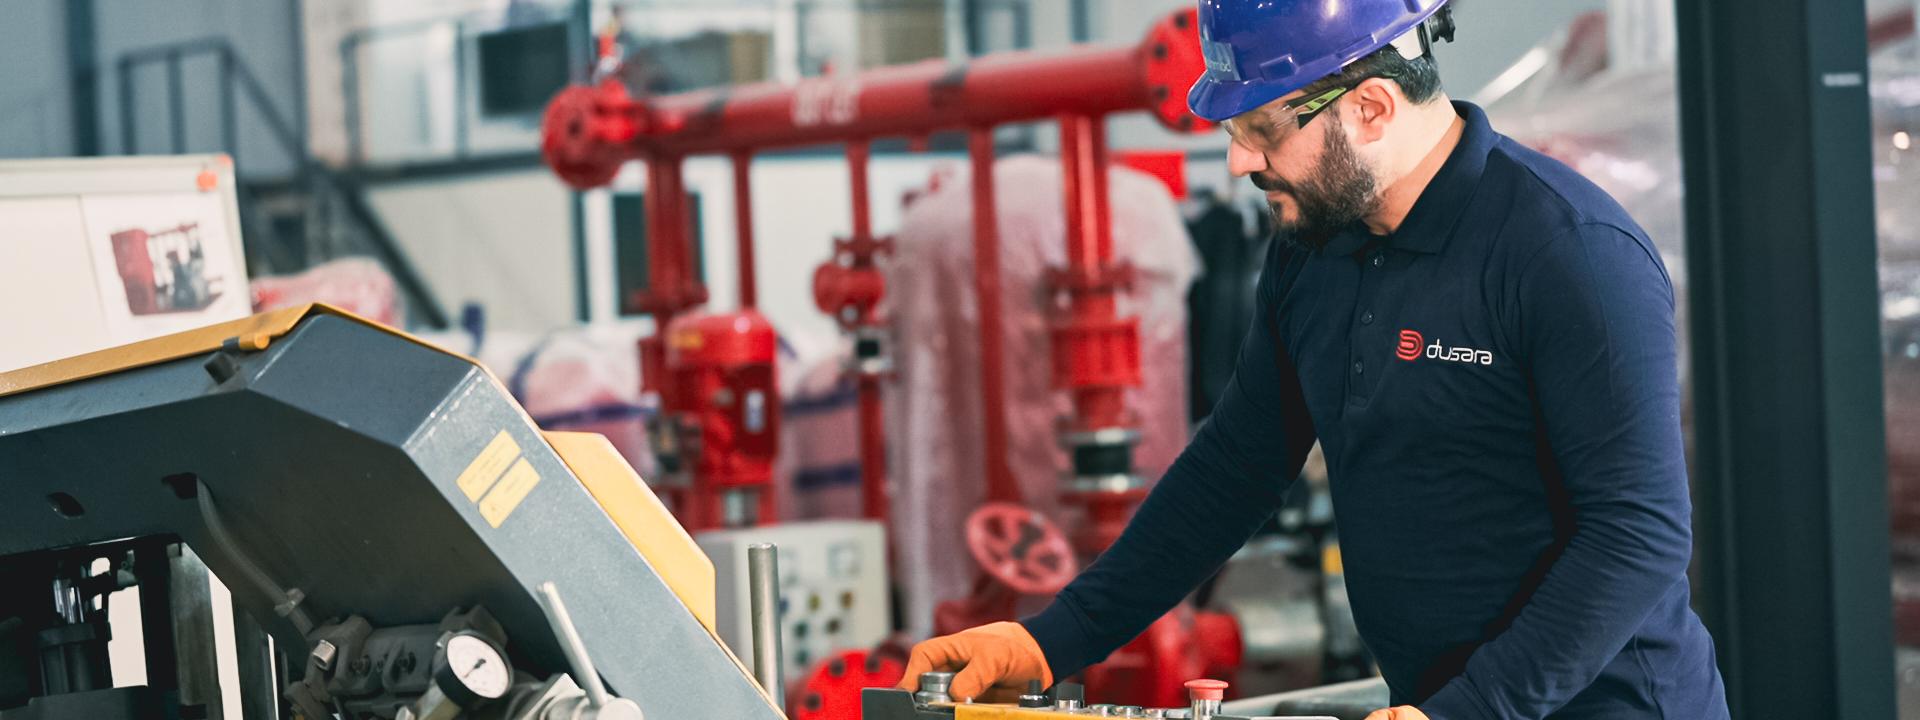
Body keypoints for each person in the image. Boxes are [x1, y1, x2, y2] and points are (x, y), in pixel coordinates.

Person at [898, 1, 1730, 717]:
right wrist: (1050, 641)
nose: (1239, 161)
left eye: (1262, 130)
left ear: (1369, 107)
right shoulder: (1315, 248)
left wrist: (1472, 714)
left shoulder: (1568, 254)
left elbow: (1637, 536)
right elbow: (1235, 468)